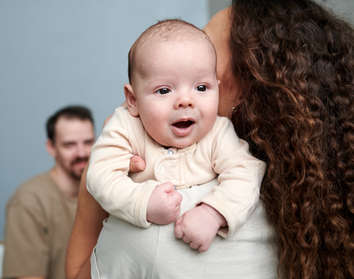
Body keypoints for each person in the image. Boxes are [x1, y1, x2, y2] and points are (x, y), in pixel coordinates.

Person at [67, 0, 353, 279]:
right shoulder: (315, 223)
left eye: (201, 82)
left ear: (241, 91)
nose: (184, 100)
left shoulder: (161, 220)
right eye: (165, 88)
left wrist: (99, 169)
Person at [86, 19, 265, 255]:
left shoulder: (218, 133)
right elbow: (100, 175)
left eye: (201, 88)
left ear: (217, 89)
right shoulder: (125, 127)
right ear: (133, 100)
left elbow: (246, 173)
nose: (185, 100)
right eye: (164, 90)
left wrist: (213, 213)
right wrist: (143, 201)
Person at [1, 105, 95, 279]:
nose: (82, 153)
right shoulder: (28, 202)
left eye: (88, 142)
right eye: (69, 145)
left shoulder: (102, 194)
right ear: (51, 148)